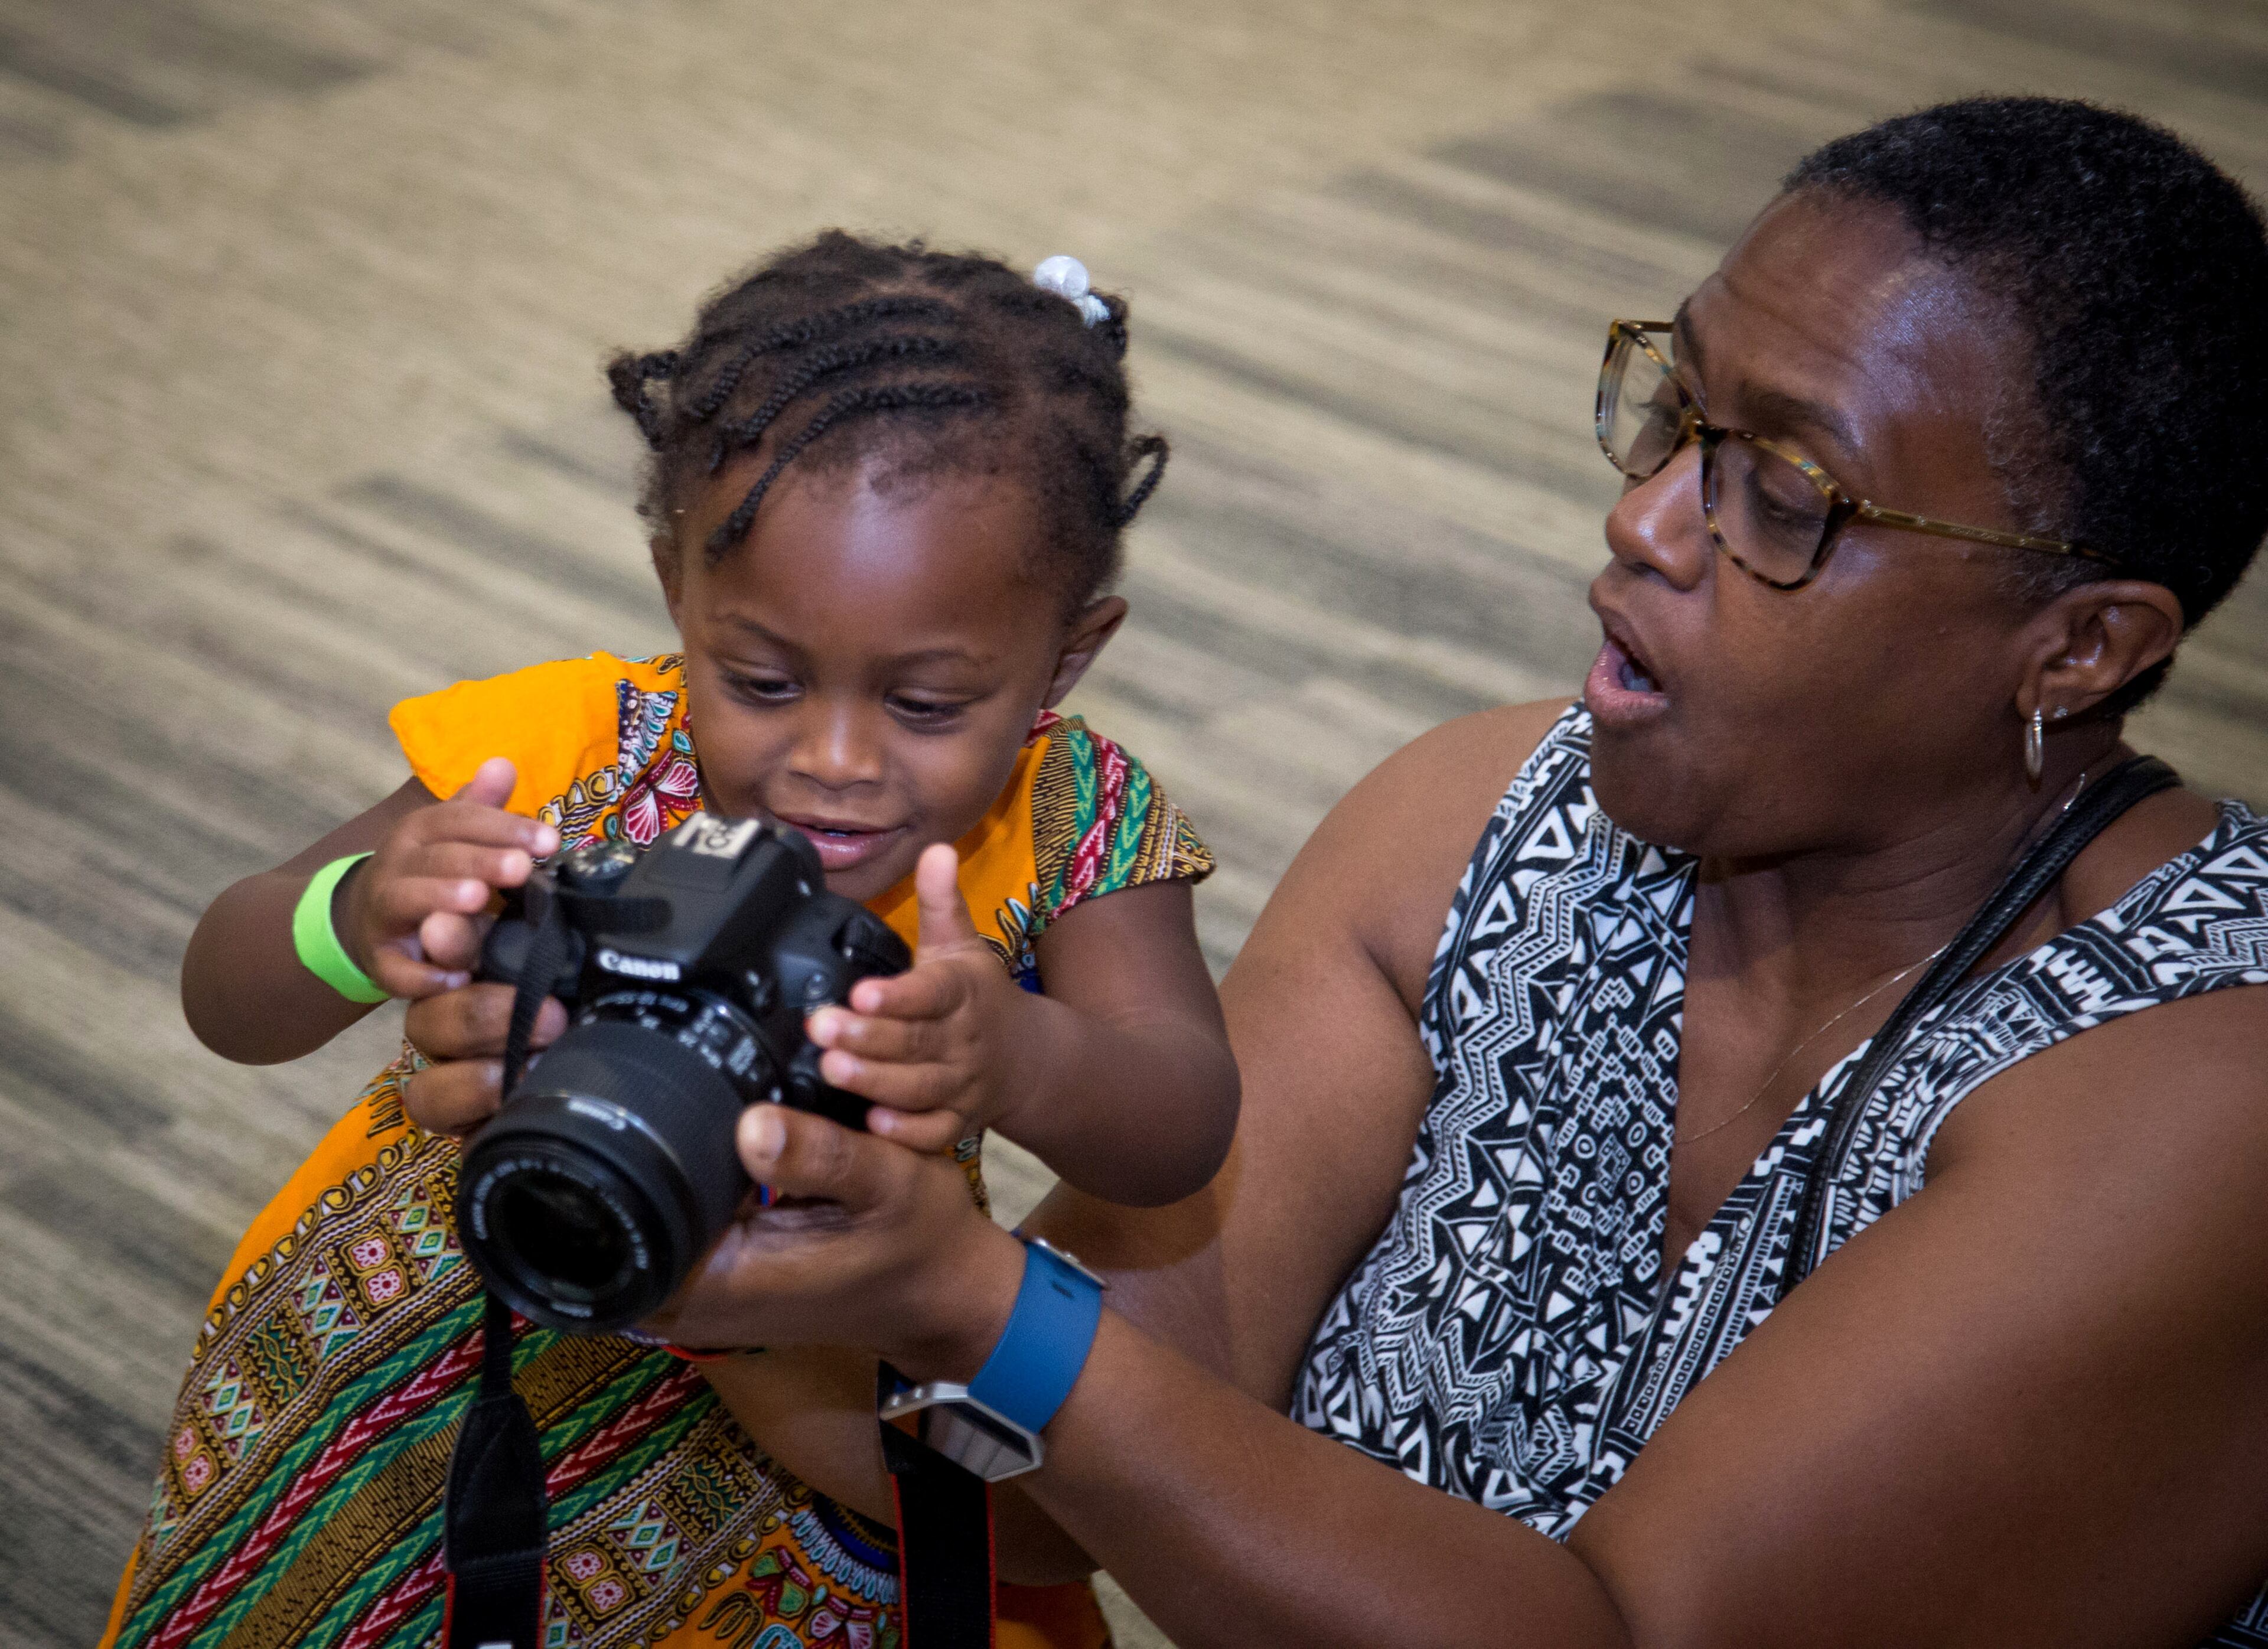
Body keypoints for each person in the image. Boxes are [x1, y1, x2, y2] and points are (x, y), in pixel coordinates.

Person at [580, 98, 2268, 1647]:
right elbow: (1025, 1502)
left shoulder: (2201, 1094)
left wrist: (957, 1293)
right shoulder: (1477, 829)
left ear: (2077, 648)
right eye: (1675, 410)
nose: (1648, 521)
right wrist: (711, 1185)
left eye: (1783, 492)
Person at [102, 233, 1237, 1649]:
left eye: (929, 704)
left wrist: (1018, 1053)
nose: (833, 760)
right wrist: (359, 916)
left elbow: (1182, 1123)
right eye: (760, 679)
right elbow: (229, 991)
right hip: (424, 1378)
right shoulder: (561, 752)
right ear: (674, 589)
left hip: (786, 1432)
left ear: (1067, 654)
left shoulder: (1072, 820)